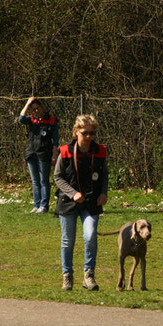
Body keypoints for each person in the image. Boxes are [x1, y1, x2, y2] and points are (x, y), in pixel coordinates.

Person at [54, 114, 108, 291]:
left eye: (92, 133)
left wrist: (103, 193)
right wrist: (72, 193)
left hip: (91, 202)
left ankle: (89, 276)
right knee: (68, 241)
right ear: (76, 131)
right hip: (68, 202)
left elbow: (105, 175)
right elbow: (58, 177)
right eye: (85, 133)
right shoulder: (65, 151)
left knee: (90, 236)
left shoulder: (99, 151)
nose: (89, 137)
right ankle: (67, 277)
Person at [19, 96, 59, 214]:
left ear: (42, 107)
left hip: (44, 154)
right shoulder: (31, 119)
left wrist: (54, 155)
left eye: (37, 108)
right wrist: (27, 103)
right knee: (35, 181)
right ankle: (36, 205)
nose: (36, 111)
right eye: (34, 109)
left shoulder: (51, 120)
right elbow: (21, 118)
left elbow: (55, 140)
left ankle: (44, 206)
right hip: (31, 153)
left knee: (43, 181)